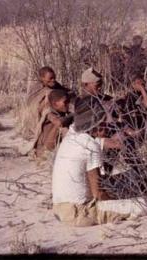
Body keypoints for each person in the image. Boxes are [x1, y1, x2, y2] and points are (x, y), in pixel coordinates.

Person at [52, 97, 130, 226]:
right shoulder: (90, 145)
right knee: (141, 205)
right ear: (97, 124)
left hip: (60, 210)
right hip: (79, 213)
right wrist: (116, 202)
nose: (106, 125)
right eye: (103, 121)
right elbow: (98, 193)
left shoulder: (72, 135)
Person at [31, 89, 74, 160]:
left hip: (51, 148)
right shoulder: (48, 113)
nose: (68, 104)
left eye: (68, 101)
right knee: (63, 128)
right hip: (44, 151)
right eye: (65, 102)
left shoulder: (62, 112)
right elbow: (59, 123)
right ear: (55, 104)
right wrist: (73, 115)